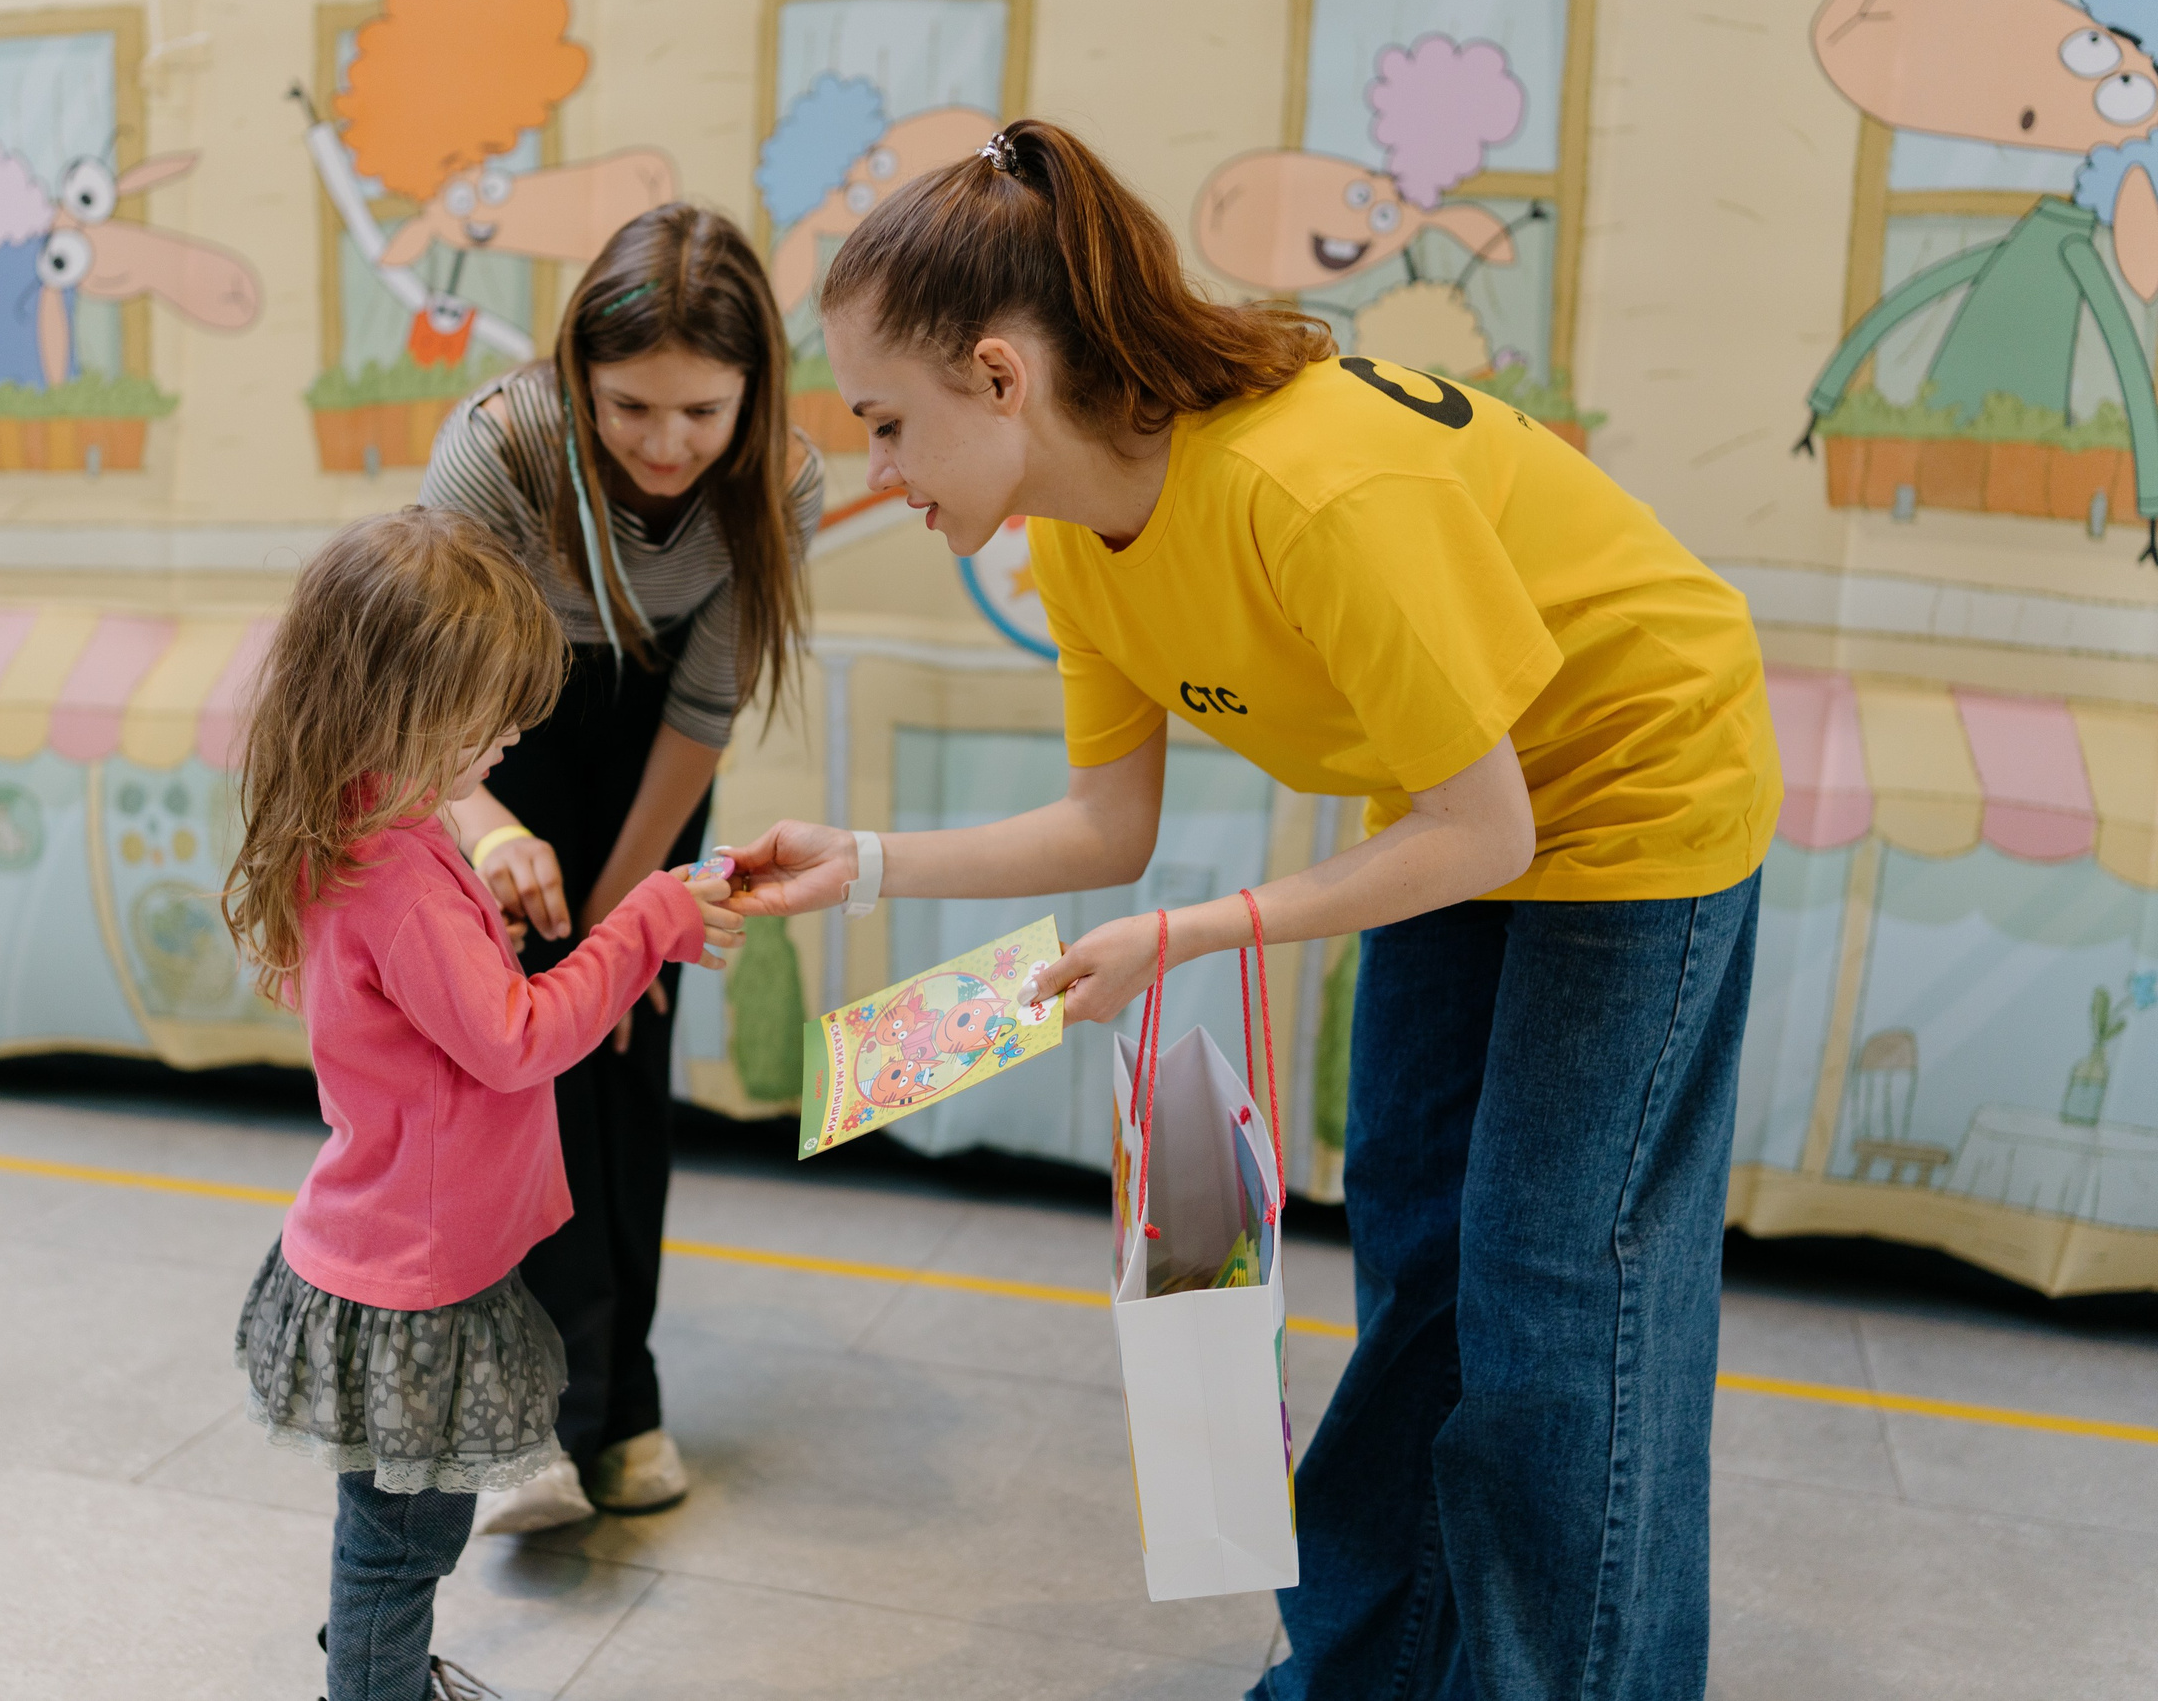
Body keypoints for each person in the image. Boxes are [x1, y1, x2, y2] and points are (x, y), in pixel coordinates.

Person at [725, 121, 1780, 1701]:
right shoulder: (1081, 539)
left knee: (1560, 1289)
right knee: (1427, 1255)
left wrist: (1199, 935)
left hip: (1636, 790)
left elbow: (1489, 828)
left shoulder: (1310, 489)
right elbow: (1108, 825)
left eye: (885, 424)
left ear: (1002, 377)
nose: (874, 473)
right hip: (1453, 817)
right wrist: (862, 861)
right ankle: (1367, 1669)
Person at [221, 506, 742, 1701]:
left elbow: (433, 1016)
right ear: (398, 708)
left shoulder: (362, 817)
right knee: (402, 1545)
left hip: (393, 1248)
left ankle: (372, 1662)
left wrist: (485, 944)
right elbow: (517, 1048)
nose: (510, 736)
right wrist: (647, 922)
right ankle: (373, 1684)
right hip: (412, 1277)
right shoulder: (400, 874)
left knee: (395, 1532)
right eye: (485, 719)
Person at [421, 203, 822, 1532]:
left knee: (621, 1055)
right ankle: (523, 1421)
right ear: (574, 376)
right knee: (504, 1074)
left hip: (649, 756)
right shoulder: (498, 448)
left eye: (702, 412)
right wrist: (482, 826)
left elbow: (702, 711)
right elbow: (418, 700)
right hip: (491, 736)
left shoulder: (782, 482)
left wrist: (618, 922)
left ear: (754, 390)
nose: (665, 445)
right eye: (629, 406)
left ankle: (622, 1401)